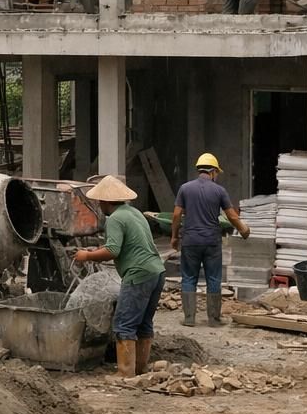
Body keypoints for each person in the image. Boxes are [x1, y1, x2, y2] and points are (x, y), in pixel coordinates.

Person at [74, 175, 166, 377]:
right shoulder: (134, 213)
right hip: (156, 271)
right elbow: (128, 244)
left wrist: (87, 255)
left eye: (99, 202)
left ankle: (125, 374)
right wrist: (98, 249)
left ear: (105, 202)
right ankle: (140, 370)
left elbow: (113, 250)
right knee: (143, 323)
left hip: (138, 274)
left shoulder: (114, 219)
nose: (99, 205)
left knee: (124, 323)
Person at [171, 152, 251, 327]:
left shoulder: (185, 188)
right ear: (213, 171)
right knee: (213, 279)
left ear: (199, 170)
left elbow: (177, 214)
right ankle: (214, 319)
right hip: (211, 241)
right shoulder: (219, 190)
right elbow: (231, 216)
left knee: (189, 277)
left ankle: (189, 318)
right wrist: (244, 229)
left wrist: (174, 237)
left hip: (190, 240)